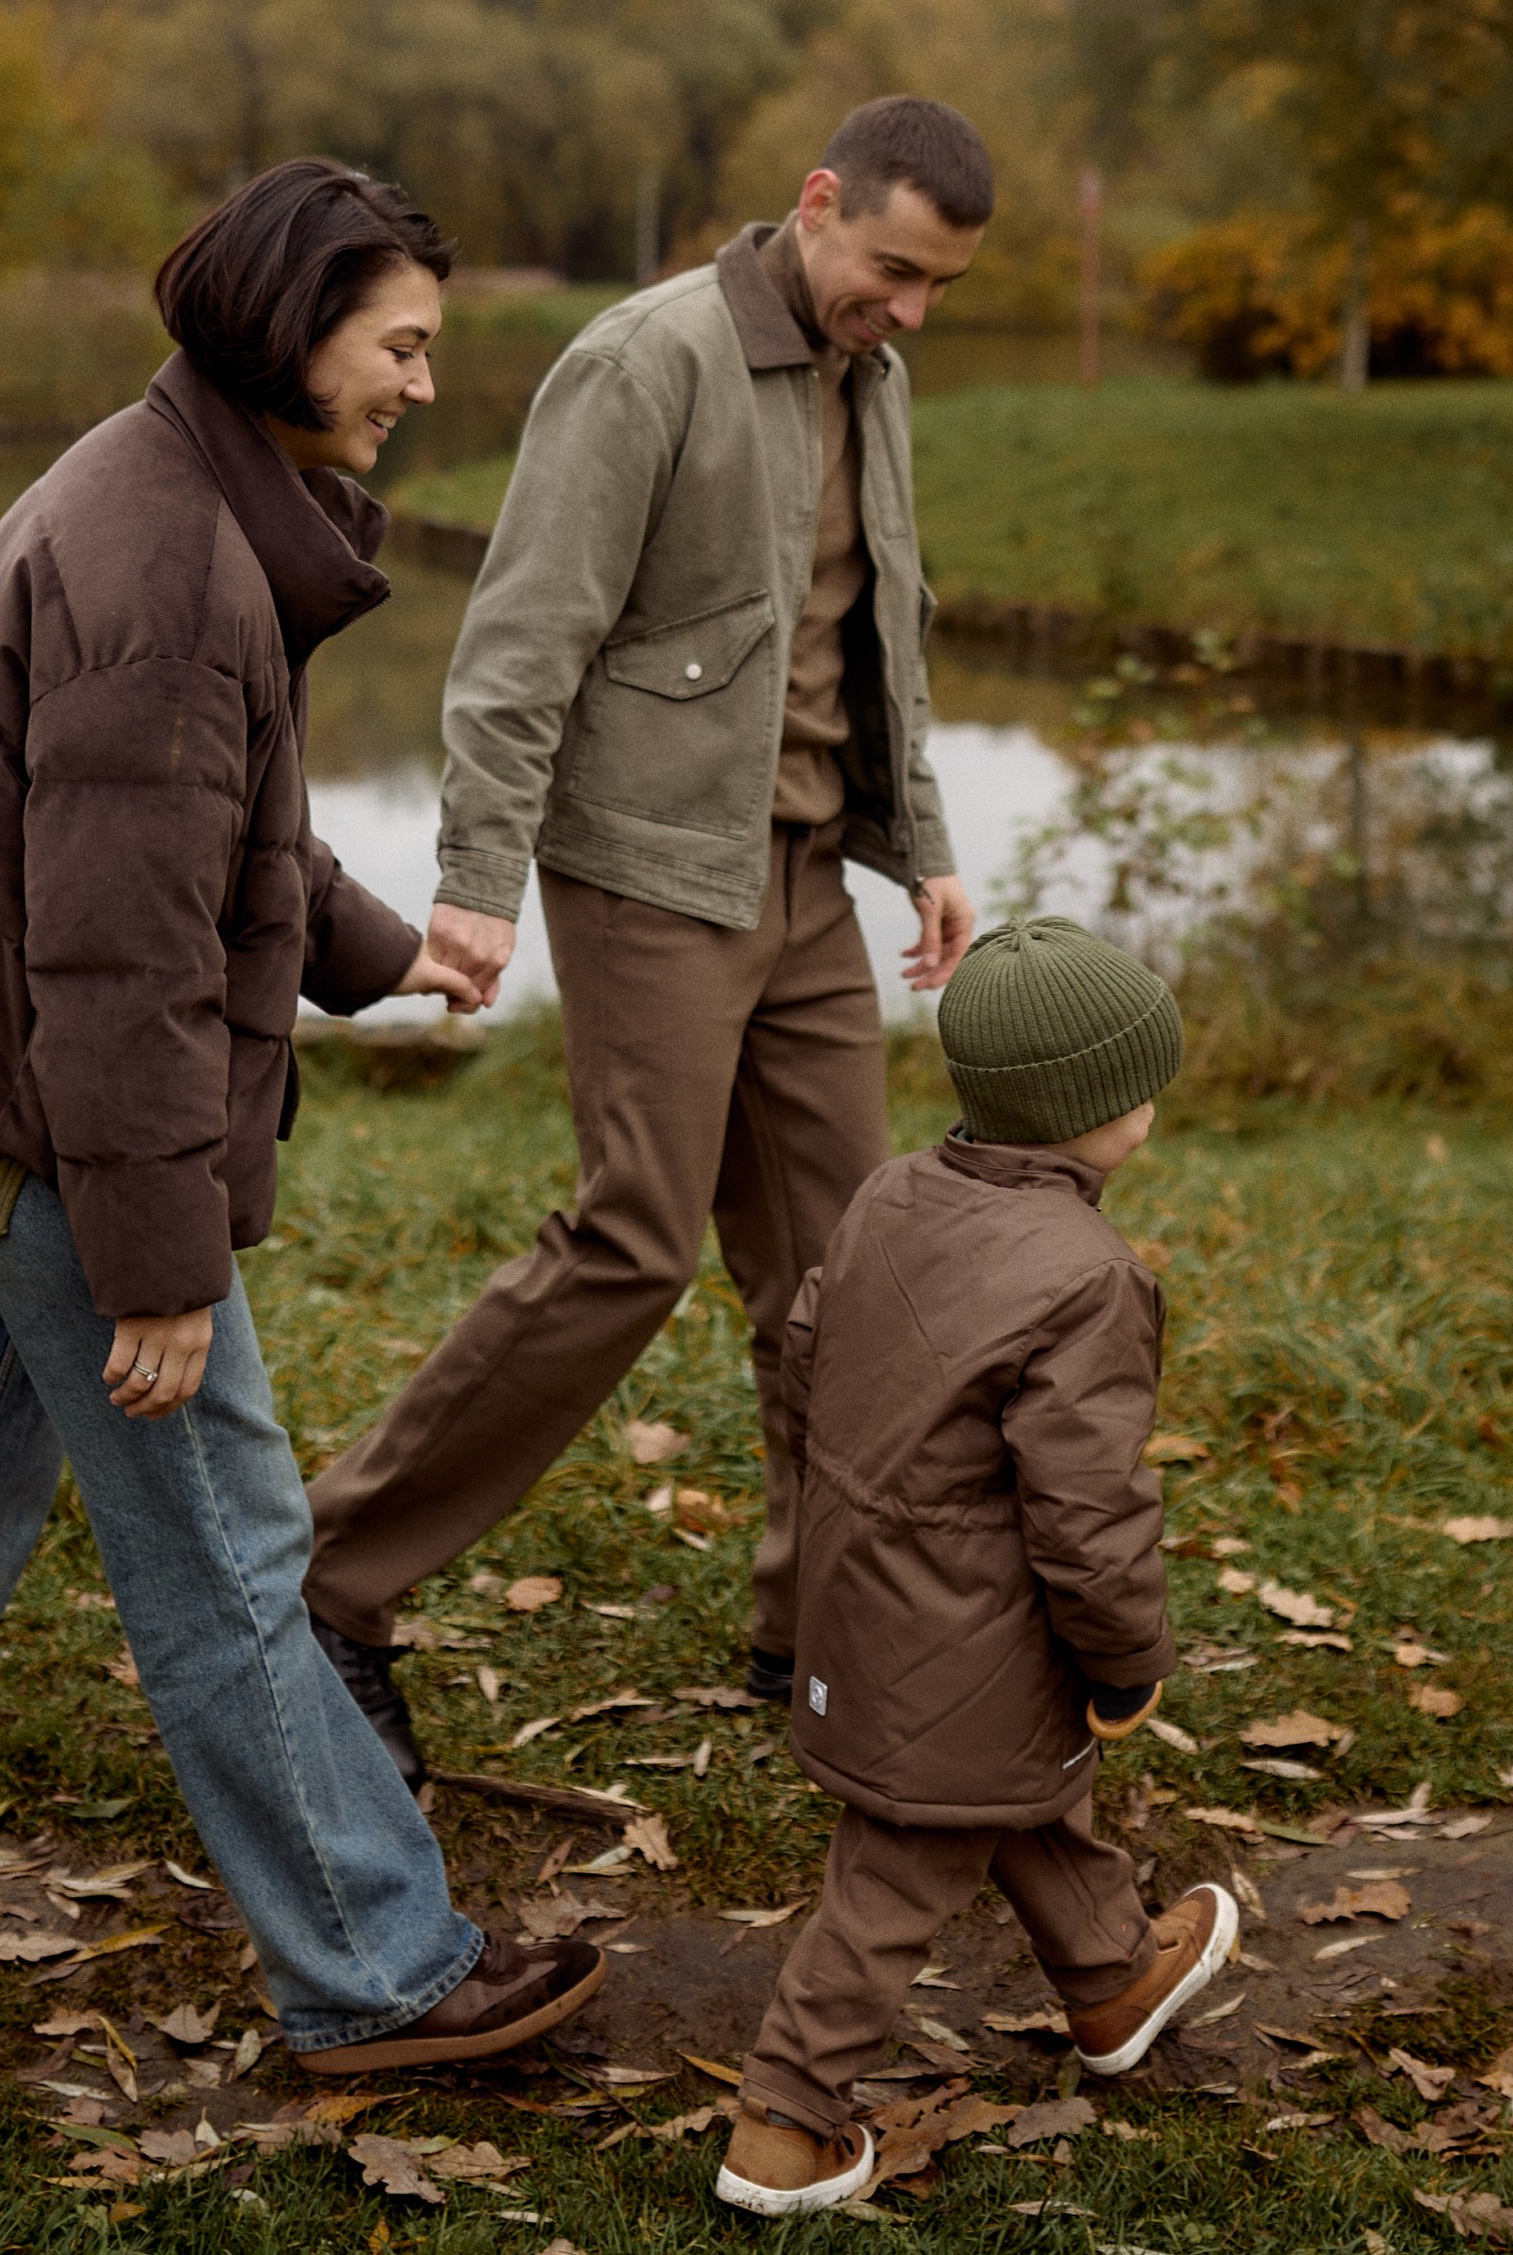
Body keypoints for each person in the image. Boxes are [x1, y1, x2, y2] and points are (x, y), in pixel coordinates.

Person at [0, 162, 604, 2081]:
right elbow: (116, 963)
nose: (424, 379)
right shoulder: (168, 563)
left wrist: (371, 944)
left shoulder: (168, 477)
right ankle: (378, 1967)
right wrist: (159, 1266)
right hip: (39, 1094)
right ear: (294, 323)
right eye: (403, 341)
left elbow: (191, 830)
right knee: (228, 1547)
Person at [303, 96, 991, 1780]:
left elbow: (873, 630)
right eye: (892, 268)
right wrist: (477, 876)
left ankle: (818, 1626)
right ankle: (330, 1577)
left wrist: (933, 850)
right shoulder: (647, 361)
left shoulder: (875, 379)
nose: (908, 310)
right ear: (818, 204)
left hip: (812, 880)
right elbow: (524, 635)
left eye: (939, 287)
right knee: (634, 1238)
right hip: (647, 874)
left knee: (851, 1271)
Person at [714, 915, 1236, 2216]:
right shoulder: (1087, 1274)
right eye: (1142, 1078)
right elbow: (1088, 1510)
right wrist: (1126, 1661)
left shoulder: (893, 1190)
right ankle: (783, 2118)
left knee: (1015, 1786)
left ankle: (1112, 1979)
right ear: (1099, 1108)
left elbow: (806, 1355)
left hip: (872, 1592)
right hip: (968, 1630)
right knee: (894, 1870)